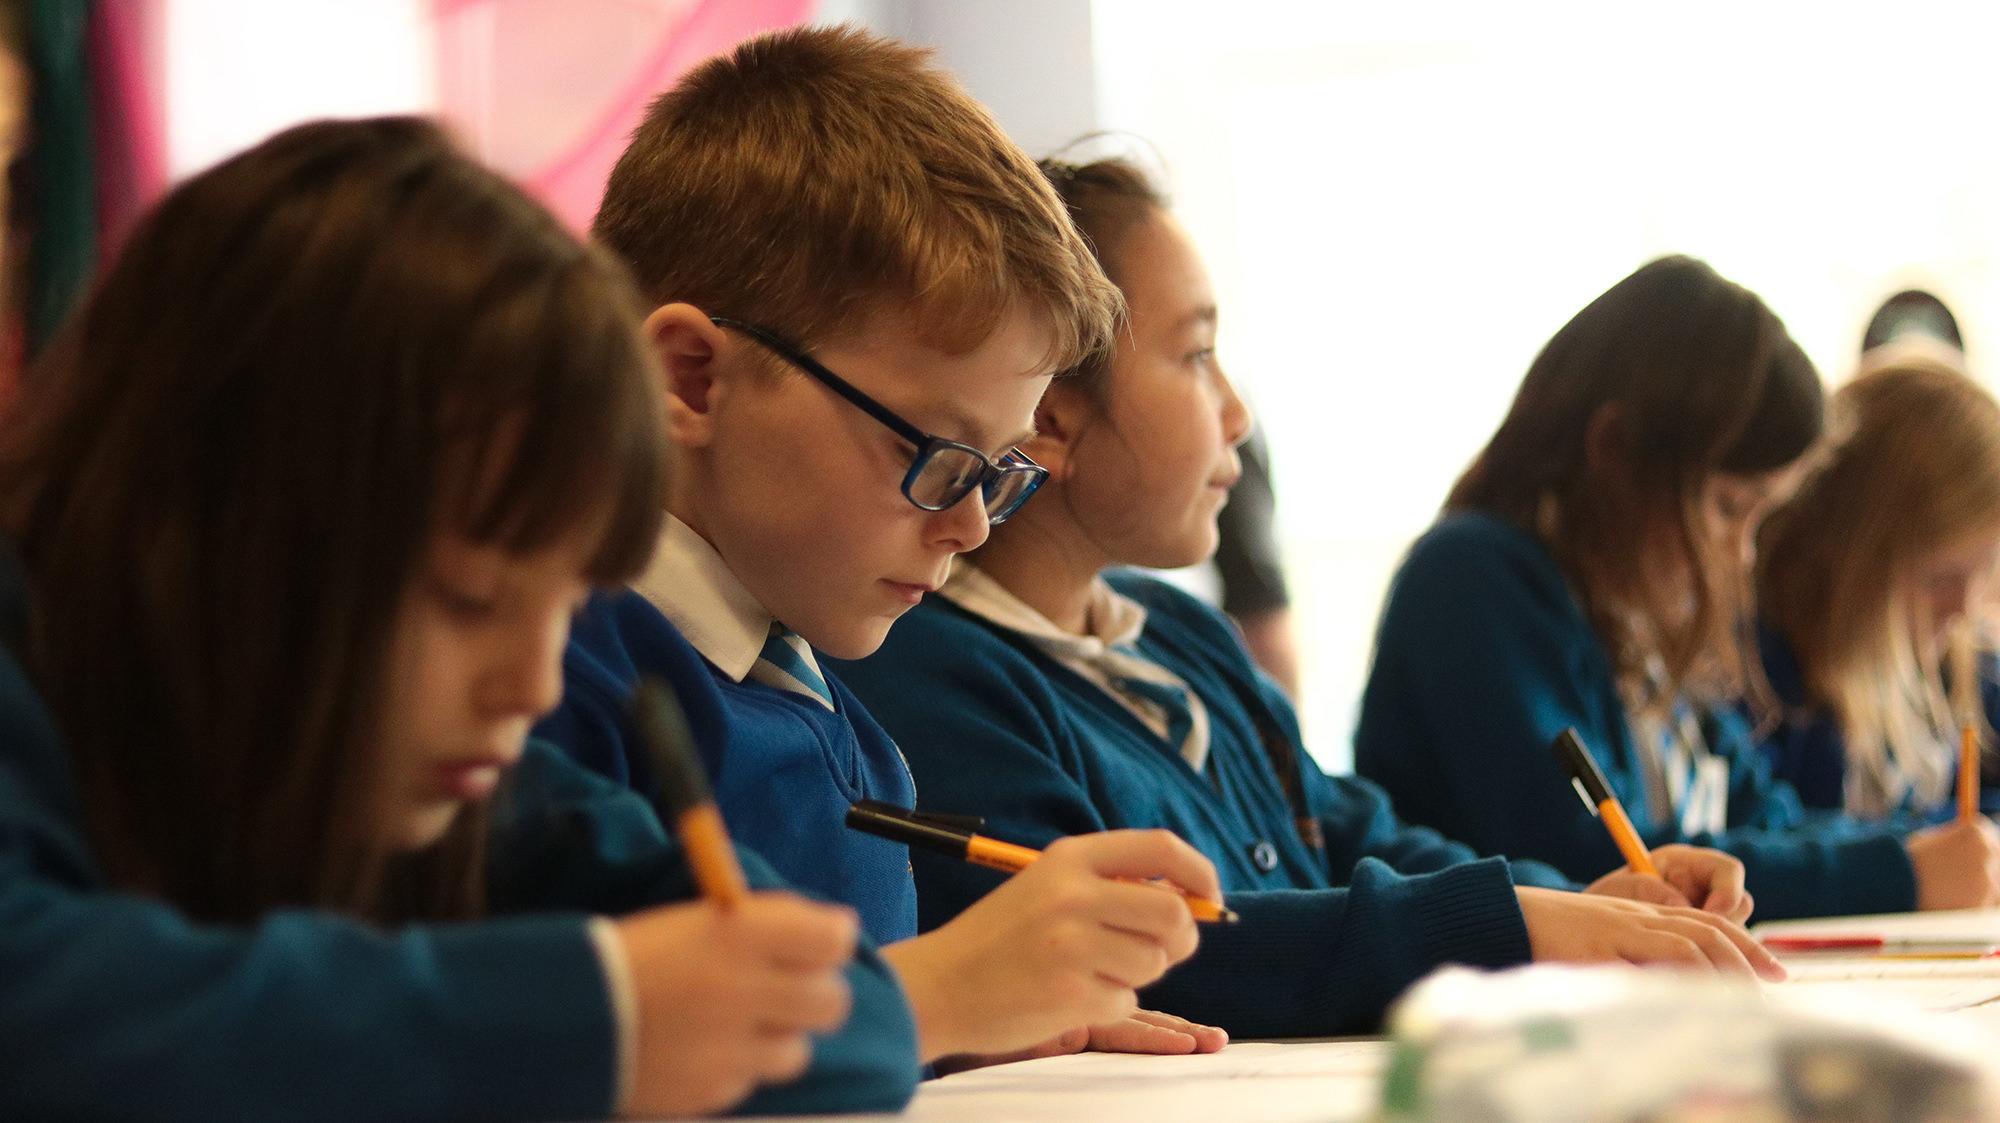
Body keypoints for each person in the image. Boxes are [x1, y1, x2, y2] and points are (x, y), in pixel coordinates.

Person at [0, 116, 925, 1120]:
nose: (530, 684)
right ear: (229, 526)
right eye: (469, 600)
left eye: (568, 602)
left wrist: (658, 1007)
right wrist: (596, 1017)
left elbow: (855, 1019)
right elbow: (42, 1019)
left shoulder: (440, 781)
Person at [832, 158, 1781, 1039]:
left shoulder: (1179, 633)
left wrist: (1581, 901)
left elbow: (1352, 830)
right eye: (1196, 354)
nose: (1237, 411)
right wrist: (1510, 924)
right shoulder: (934, 673)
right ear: (1049, 416)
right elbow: (1140, 951)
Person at [536, 26, 1227, 1066]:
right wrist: (930, 999)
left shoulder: (831, 707)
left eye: (1001, 470)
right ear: (692, 378)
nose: (971, 523)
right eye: (936, 453)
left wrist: (950, 1030)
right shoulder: (544, 686)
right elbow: (567, 1045)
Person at [1354, 256, 2000, 920]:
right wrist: (1894, 874)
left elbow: (1764, 817)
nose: (1744, 553)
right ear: (1615, 453)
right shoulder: (1473, 584)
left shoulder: (1642, 617)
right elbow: (1595, 862)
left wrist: (1914, 857)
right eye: (1726, 507)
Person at [1754, 347, 2000, 819]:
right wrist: (1924, 850)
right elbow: (1777, 841)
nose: (1964, 609)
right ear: (1853, 557)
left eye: (1987, 569)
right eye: (1940, 579)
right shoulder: (1768, 687)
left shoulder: (1960, 662)